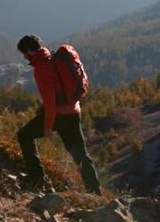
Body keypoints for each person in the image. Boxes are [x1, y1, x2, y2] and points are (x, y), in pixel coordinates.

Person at [15, 35, 103, 194]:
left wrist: (48, 126)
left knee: (24, 136)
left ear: (29, 51)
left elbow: (50, 102)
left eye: (24, 53)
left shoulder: (41, 68)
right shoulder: (53, 58)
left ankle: (37, 178)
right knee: (81, 155)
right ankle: (95, 192)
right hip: (74, 112)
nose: (24, 57)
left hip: (59, 116)